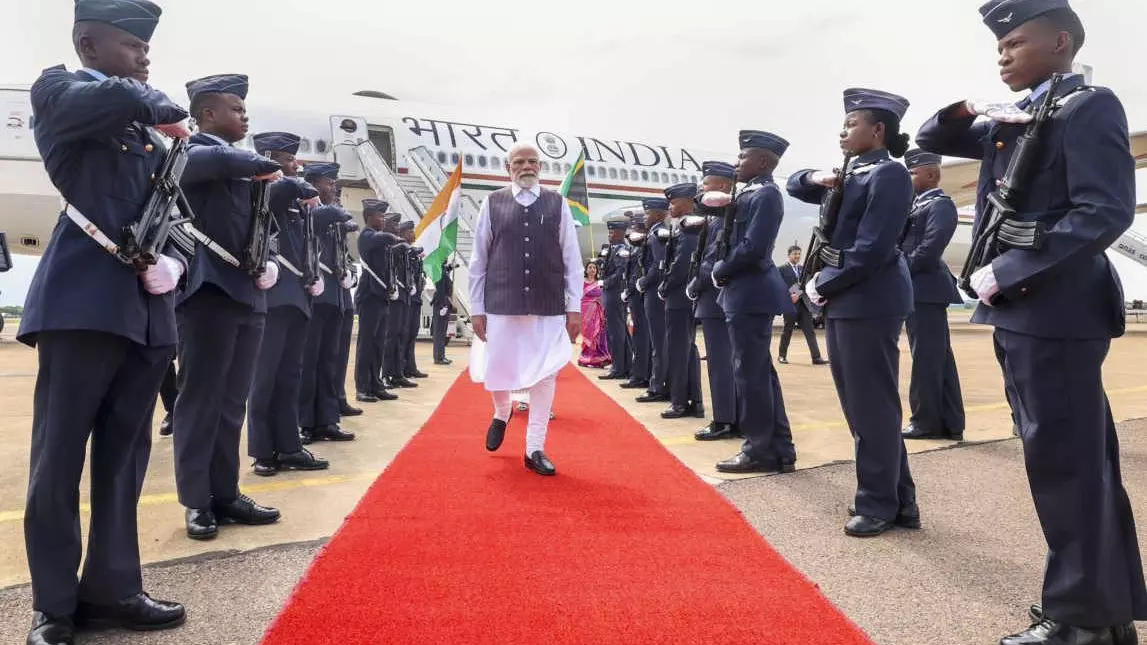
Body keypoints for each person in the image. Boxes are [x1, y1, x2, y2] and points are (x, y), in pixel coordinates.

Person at [917, 1, 1145, 642]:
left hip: (1057, 306)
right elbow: (930, 140)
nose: (1003, 53)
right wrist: (974, 112)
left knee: (1066, 465)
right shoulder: (1016, 119)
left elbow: (1105, 211)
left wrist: (1013, 268)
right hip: (1026, 312)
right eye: (999, 44)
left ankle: (1084, 620)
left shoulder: (1089, 106)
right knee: (1067, 463)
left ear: (1062, 42)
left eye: (1017, 42)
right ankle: (1102, 612)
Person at [20, 2, 189, 641]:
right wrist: (154, 100)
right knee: (58, 460)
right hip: (83, 305)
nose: (145, 57)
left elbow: (177, 217)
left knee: (124, 461)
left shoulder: (149, 133)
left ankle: (115, 589)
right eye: (132, 45)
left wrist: (175, 265)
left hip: (146, 313)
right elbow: (103, 101)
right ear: (88, 43)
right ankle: (55, 607)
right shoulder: (60, 90)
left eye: (148, 49)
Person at [786, 90, 917, 537]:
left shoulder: (890, 175)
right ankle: (901, 502)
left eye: (852, 123)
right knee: (863, 406)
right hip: (850, 301)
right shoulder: (847, 174)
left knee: (872, 407)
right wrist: (817, 176)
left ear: (878, 130)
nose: (843, 131)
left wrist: (822, 283)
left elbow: (873, 248)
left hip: (871, 300)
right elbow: (794, 184)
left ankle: (878, 503)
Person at [174, 73, 284, 541]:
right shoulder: (196, 154)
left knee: (231, 403)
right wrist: (257, 161)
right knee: (200, 402)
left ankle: (226, 492)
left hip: (247, 295)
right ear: (207, 115)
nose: (245, 116)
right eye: (236, 109)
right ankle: (196, 500)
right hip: (208, 294)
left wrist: (272, 261)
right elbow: (205, 160)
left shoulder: (243, 169)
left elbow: (266, 224)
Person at [470, 141, 583, 476]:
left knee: (546, 372)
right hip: (501, 302)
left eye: (533, 161)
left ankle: (535, 447)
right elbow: (479, 259)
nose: (527, 167)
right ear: (509, 168)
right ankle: (502, 411)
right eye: (519, 162)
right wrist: (476, 307)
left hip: (547, 303)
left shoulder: (558, 203)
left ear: (540, 167)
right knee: (499, 367)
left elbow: (572, 259)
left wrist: (573, 307)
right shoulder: (492, 203)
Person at [709, 132, 797, 473]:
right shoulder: (745, 194)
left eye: (743, 157)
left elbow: (754, 247)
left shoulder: (766, 195)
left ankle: (758, 449)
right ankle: (779, 447)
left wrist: (720, 269)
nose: (736, 162)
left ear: (762, 162)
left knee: (750, 375)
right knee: (759, 374)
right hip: (742, 292)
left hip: (750, 292)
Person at [245, 132, 331, 476]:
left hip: (297, 297)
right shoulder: (264, 186)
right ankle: (263, 450)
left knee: (289, 377)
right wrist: (300, 184)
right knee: (264, 378)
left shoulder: (294, 197)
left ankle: (289, 445)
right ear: (268, 158)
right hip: (275, 297)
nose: (295, 165)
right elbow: (275, 195)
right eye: (287, 159)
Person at [898, 149, 966, 442]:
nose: (908, 178)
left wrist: (899, 272)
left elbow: (929, 249)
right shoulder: (915, 205)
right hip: (921, 289)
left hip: (925, 289)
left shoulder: (940, 205)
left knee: (926, 358)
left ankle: (925, 421)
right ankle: (950, 421)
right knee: (938, 358)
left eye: (913, 173)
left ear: (931, 175)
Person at [299, 164, 359, 443]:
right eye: (328, 182)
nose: (333, 187)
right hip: (315, 296)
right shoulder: (306, 206)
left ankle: (327, 419)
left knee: (329, 362)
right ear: (312, 183)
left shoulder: (331, 212)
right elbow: (329, 216)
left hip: (334, 296)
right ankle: (305, 422)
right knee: (308, 363)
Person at [689, 161, 740, 442]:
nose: (702, 189)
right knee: (722, 363)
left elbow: (714, 261)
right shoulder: (714, 219)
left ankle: (724, 419)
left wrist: (697, 283)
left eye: (706, 184)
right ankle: (731, 416)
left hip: (715, 300)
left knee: (721, 364)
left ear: (722, 187)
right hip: (711, 300)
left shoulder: (725, 219)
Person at [660, 183, 705, 419]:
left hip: (679, 299)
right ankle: (694, 401)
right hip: (681, 298)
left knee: (679, 351)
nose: (670, 207)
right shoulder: (684, 228)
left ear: (688, 202)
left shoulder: (688, 229)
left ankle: (679, 403)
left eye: (674, 201)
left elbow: (681, 265)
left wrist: (664, 287)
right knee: (686, 350)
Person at [352, 202, 399, 402]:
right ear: (369, 217)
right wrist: (394, 237)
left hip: (381, 297)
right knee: (367, 344)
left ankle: (375, 384)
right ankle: (362, 387)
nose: (384, 220)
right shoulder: (367, 236)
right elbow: (385, 237)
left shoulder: (380, 239)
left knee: (378, 343)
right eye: (380, 216)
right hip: (369, 297)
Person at [634, 198, 671, 404]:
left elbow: (659, 266)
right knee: (657, 341)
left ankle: (657, 386)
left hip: (654, 294)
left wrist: (644, 282)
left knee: (658, 342)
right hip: (653, 293)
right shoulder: (655, 233)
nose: (645, 217)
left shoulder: (657, 235)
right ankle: (656, 383)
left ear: (657, 214)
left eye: (648, 214)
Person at [777, 246, 827, 365]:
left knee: (810, 331)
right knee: (787, 330)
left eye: (799, 254)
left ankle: (816, 358)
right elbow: (779, 286)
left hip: (804, 305)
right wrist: (788, 296)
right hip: (790, 305)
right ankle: (781, 356)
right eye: (795, 254)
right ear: (789, 255)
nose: (797, 256)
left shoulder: (803, 269)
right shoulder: (781, 269)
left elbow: (806, 285)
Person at [619, 217, 651, 390]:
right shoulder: (636, 249)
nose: (632, 234)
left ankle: (640, 375)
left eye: (636, 230)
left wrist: (631, 290)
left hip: (639, 298)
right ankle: (638, 373)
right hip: (634, 297)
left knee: (641, 338)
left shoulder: (643, 248)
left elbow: (639, 275)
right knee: (638, 337)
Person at [597, 220, 631, 379]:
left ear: (621, 233)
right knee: (618, 330)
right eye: (609, 232)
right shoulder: (613, 249)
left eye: (613, 232)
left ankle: (618, 368)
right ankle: (623, 365)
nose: (610, 235)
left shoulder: (621, 250)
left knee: (616, 332)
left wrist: (606, 282)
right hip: (611, 294)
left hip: (615, 293)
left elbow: (620, 273)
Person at [577, 261, 611, 368]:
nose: (592, 270)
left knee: (598, 334)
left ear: (597, 271)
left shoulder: (600, 283)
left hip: (598, 312)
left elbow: (603, 297)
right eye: (590, 267)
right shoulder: (581, 283)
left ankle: (599, 358)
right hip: (585, 312)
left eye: (594, 268)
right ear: (586, 270)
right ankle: (586, 358)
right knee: (588, 335)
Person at [431, 257, 455, 365]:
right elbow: (440, 289)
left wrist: (450, 268)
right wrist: (442, 306)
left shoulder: (443, 269)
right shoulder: (439, 270)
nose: (446, 258)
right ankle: (438, 357)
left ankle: (441, 355)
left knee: (442, 332)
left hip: (444, 302)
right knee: (439, 333)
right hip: (441, 303)